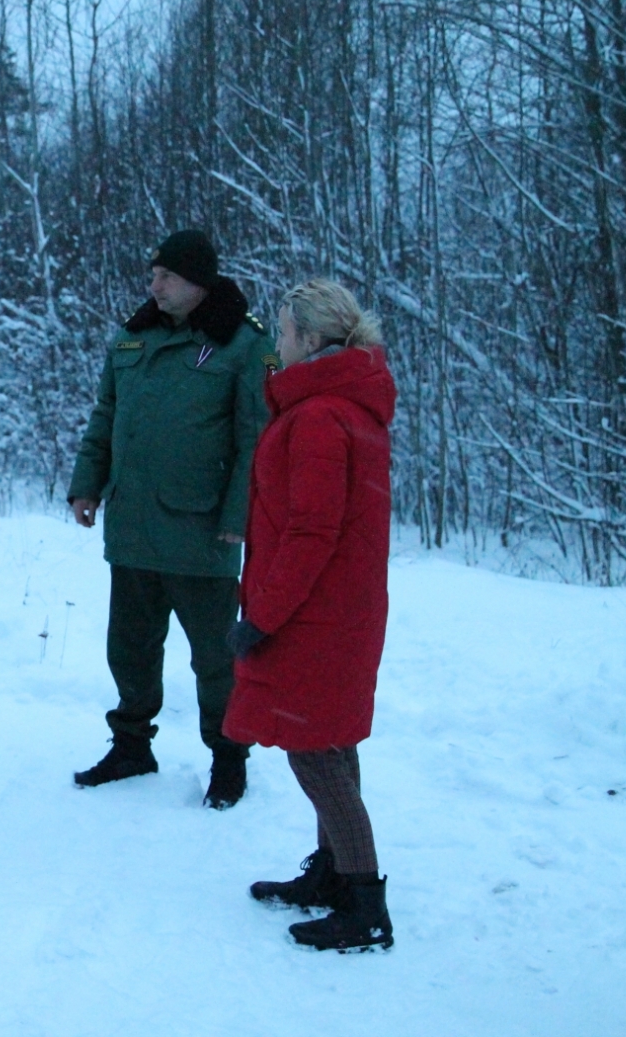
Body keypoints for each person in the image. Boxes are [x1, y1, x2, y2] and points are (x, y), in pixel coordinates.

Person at [67, 230, 274, 808]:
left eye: (167, 277)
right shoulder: (134, 336)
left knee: (215, 657)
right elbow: (105, 415)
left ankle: (228, 757)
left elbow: (256, 437)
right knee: (129, 647)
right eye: (153, 275)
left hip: (201, 529)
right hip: (132, 524)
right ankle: (131, 745)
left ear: (198, 282)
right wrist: (86, 484)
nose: (154, 285)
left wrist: (239, 515)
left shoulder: (242, 343)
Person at [222, 279, 397, 952]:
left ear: (313, 339)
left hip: (313, 615)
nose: (278, 342)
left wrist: (261, 617)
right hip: (337, 610)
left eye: (285, 331)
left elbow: (311, 533)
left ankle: (365, 905)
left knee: (314, 752)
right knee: (332, 741)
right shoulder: (342, 405)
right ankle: (334, 874)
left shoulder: (321, 415)